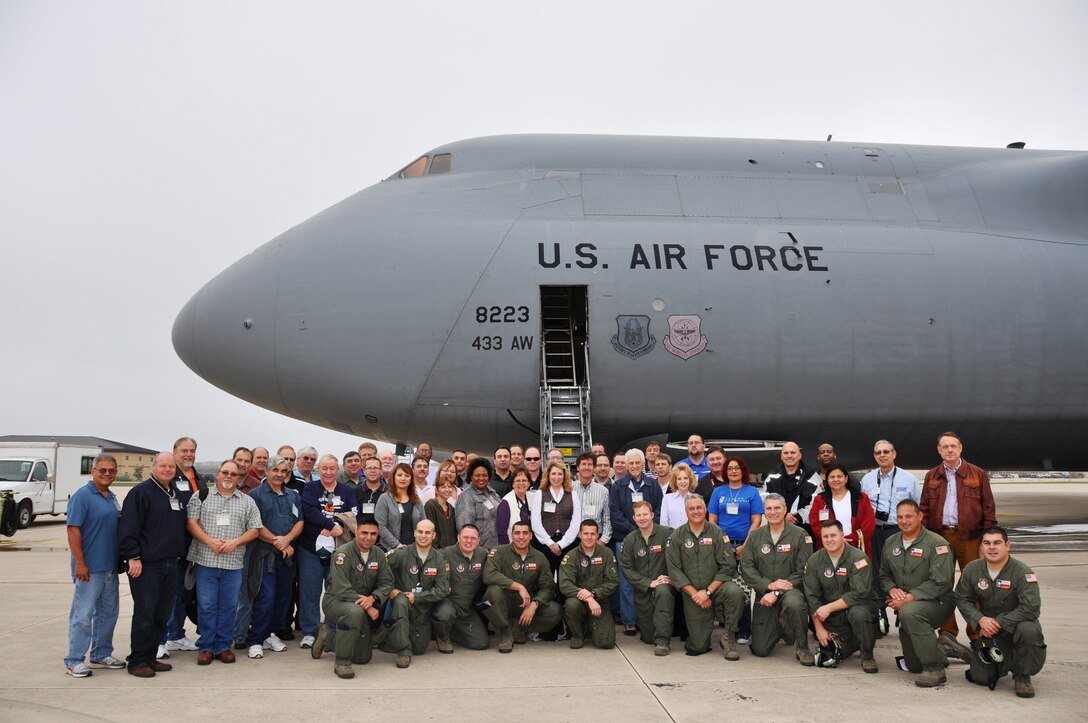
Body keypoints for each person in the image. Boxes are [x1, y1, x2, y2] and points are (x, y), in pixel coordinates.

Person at [920, 432, 997, 643]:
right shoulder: (932, 476)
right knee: (942, 585)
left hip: (970, 537)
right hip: (940, 538)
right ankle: (947, 634)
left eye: (953, 446)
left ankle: (977, 634)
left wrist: (986, 541)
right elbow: (924, 510)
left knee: (975, 584)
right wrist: (926, 541)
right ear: (939, 450)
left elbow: (989, 510)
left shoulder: (977, 474)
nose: (950, 450)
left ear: (960, 448)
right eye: (945, 447)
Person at [117, 451, 187, 678]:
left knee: (161, 614)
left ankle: (150, 657)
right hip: (146, 565)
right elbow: (128, 528)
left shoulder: (174, 493)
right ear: (154, 467)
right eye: (163, 466)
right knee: (145, 614)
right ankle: (137, 661)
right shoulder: (140, 493)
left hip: (170, 564)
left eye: (171, 466)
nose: (167, 469)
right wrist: (133, 557)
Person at [954, 526, 1046, 698]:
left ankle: (1022, 675)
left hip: (1017, 627)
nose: (992, 547)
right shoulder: (972, 569)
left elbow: (1031, 608)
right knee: (980, 677)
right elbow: (962, 598)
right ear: (981, 547)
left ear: (1007, 545)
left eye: (997, 543)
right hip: (990, 631)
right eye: (987, 543)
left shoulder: (1023, 572)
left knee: (1029, 630)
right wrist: (980, 619)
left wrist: (999, 622)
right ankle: (1004, 662)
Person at [186, 460, 262, 665]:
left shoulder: (247, 501)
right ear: (217, 474)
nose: (229, 476)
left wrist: (235, 542)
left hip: (233, 564)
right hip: (206, 561)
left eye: (233, 474)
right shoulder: (201, 496)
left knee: (229, 606)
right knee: (207, 605)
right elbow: (191, 523)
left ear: (238, 478)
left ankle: (223, 646)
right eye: (225, 472)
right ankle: (206, 646)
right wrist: (209, 541)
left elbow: (255, 529)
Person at [879, 499, 957, 687]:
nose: (904, 521)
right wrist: (892, 589)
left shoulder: (937, 544)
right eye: (900, 517)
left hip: (938, 601)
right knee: (914, 665)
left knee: (909, 613)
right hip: (908, 605)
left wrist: (908, 598)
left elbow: (941, 582)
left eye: (909, 516)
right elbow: (883, 575)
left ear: (920, 516)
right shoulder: (891, 542)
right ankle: (944, 648)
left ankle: (934, 669)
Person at [64, 454, 124, 677]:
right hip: (89, 569)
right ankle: (74, 660)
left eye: (111, 471)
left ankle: (101, 653)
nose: (107, 474)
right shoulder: (82, 496)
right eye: (102, 470)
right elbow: (73, 530)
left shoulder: (111, 497)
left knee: (108, 613)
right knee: (83, 615)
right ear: (93, 471)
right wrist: (80, 563)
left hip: (110, 567)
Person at [665, 495, 745, 659]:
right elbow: (674, 571)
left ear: (705, 509)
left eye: (699, 507)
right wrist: (696, 594)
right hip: (692, 594)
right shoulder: (677, 536)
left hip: (717, 588)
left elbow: (728, 565)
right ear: (686, 511)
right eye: (691, 508)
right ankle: (703, 625)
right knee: (698, 646)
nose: (696, 511)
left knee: (735, 593)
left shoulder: (717, 533)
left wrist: (708, 592)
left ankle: (728, 637)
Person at [739, 493, 815, 665]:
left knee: (795, 604)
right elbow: (747, 568)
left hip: (791, 591)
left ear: (785, 509)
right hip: (764, 593)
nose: (773, 512)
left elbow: (804, 570)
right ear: (764, 511)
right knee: (760, 649)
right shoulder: (755, 536)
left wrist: (778, 591)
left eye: (777, 508)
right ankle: (783, 626)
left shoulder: (800, 535)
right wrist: (768, 585)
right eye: (769, 509)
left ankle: (802, 647)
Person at [314, 516, 393, 679]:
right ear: (356, 532)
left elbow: (387, 583)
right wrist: (367, 607)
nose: (368, 537)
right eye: (364, 533)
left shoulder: (378, 554)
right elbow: (341, 588)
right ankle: (342, 662)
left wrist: (373, 598)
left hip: (363, 603)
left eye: (373, 534)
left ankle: (327, 636)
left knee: (363, 657)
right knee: (355, 612)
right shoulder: (342, 554)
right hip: (336, 601)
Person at [243, 455, 303, 658]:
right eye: (275, 470)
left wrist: (288, 539)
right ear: (267, 471)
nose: (279, 474)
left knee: (282, 596)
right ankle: (255, 640)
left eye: (284, 471)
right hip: (264, 554)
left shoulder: (293, 495)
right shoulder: (256, 494)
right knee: (265, 596)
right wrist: (278, 542)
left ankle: (271, 634)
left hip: (286, 555)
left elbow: (300, 521)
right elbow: (255, 525)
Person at [297, 454, 358, 649]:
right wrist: (328, 525)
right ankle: (310, 632)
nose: (328, 472)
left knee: (335, 592)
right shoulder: (311, 488)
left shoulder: (346, 490)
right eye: (324, 468)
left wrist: (334, 525)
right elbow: (310, 510)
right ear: (318, 469)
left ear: (337, 469)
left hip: (340, 551)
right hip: (311, 550)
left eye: (332, 468)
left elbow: (353, 512)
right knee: (310, 591)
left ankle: (332, 630)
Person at [803, 520, 878, 673]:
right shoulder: (814, 561)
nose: (829, 540)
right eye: (825, 536)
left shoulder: (858, 558)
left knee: (859, 613)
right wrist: (819, 628)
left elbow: (860, 593)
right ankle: (854, 642)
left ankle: (867, 655)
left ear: (842, 535)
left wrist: (829, 608)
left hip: (856, 610)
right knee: (833, 653)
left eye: (833, 535)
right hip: (831, 617)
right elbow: (812, 597)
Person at [860, 440, 920, 626]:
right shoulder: (867, 479)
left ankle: (904, 613)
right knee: (877, 572)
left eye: (886, 452)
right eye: (878, 452)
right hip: (875, 532)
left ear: (894, 454)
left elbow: (917, 507)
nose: (882, 455)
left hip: (899, 531)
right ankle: (880, 614)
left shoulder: (908, 479)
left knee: (903, 571)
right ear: (874, 456)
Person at [160, 436, 209, 659]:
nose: (189, 454)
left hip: (193, 546)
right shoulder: (169, 476)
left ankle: (176, 635)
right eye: (184, 451)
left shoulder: (198, 478)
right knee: (167, 595)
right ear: (175, 451)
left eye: (192, 451)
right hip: (175, 547)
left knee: (182, 594)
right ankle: (161, 639)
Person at [481, 521, 563, 653]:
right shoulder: (499, 552)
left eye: (525, 533)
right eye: (517, 533)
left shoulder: (539, 557)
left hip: (526, 603)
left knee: (555, 611)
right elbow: (488, 575)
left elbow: (548, 587)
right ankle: (506, 632)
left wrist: (535, 604)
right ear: (511, 535)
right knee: (491, 593)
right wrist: (519, 587)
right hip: (503, 601)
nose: (521, 537)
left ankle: (519, 627)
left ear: (531, 536)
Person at [708, 456, 764, 643]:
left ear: (743, 471)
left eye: (737, 468)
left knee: (744, 587)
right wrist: (721, 545)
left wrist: (745, 546)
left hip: (744, 545)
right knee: (724, 585)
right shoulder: (718, 492)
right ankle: (727, 627)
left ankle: (744, 630)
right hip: (722, 546)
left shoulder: (751, 492)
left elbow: (756, 520)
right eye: (730, 468)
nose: (733, 471)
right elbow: (712, 520)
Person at [381, 519, 450, 668]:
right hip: (402, 604)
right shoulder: (401, 553)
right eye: (420, 532)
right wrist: (390, 589)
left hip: (423, 609)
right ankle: (403, 652)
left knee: (419, 649)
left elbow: (442, 589)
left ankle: (391, 637)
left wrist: (417, 597)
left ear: (434, 535)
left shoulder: (439, 559)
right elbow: (382, 570)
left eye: (427, 533)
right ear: (414, 533)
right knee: (401, 601)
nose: (423, 536)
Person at [610, 448, 663, 637]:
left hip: (650, 539)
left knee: (649, 578)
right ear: (626, 465)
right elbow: (615, 514)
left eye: (637, 462)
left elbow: (658, 509)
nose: (634, 466)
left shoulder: (653, 485)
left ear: (643, 464)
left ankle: (647, 619)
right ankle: (629, 621)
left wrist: (646, 529)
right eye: (630, 463)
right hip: (625, 539)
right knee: (627, 581)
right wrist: (636, 531)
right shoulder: (618, 486)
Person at [619, 500, 675, 655]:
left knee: (663, 592)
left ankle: (663, 642)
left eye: (645, 514)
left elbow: (678, 558)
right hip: (643, 590)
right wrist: (649, 583)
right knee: (649, 638)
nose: (642, 518)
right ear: (634, 518)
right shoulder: (630, 540)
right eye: (638, 515)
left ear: (652, 515)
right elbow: (627, 569)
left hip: (664, 585)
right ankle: (656, 634)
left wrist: (671, 578)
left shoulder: (667, 534)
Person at [559, 520, 620, 649]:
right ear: (580, 535)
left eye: (593, 534)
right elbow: (565, 584)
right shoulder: (571, 556)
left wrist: (594, 594)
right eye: (586, 533)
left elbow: (612, 581)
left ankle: (590, 626)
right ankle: (577, 635)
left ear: (598, 535)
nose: (589, 537)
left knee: (606, 643)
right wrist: (588, 598)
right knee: (571, 605)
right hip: (578, 601)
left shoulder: (607, 553)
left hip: (600, 601)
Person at [434, 524, 490, 653]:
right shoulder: (444, 553)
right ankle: (442, 637)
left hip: (466, 608)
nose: (469, 541)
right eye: (465, 537)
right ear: (458, 538)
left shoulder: (482, 554)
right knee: (445, 614)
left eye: (473, 538)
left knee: (481, 643)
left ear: (478, 540)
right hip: (448, 603)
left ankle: (450, 631)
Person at [808, 463, 876, 553]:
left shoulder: (861, 497)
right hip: (829, 548)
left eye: (839, 476)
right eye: (832, 477)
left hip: (856, 548)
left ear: (846, 478)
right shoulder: (820, 499)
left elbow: (869, 523)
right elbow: (815, 524)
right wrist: (834, 540)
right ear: (827, 480)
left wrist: (850, 540)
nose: (836, 479)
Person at [763, 442, 821, 534]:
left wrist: (798, 517)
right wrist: (783, 516)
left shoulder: (812, 476)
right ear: (781, 456)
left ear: (799, 455)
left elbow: (817, 503)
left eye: (793, 452)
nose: (789, 456)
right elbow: (765, 502)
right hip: (778, 529)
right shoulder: (771, 478)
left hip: (805, 530)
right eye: (786, 453)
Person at [375, 463, 424, 552]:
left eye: (407, 475)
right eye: (399, 475)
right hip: (391, 550)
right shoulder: (384, 498)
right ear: (394, 477)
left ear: (411, 479)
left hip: (414, 550)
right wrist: (397, 545)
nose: (403, 478)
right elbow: (380, 527)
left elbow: (424, 524)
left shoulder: (417, 500)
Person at [455, 458, 503, 547]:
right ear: (471, 477)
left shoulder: (493, 494)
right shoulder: (466, 497)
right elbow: (464, 529)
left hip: (496, 547)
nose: (481, 478)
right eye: (477, 475)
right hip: (477, 549)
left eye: (484, 475)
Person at [572, 451, 612, 545]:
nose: (586, 467)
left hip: (596, 540)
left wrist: (603, 540)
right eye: (583, 464)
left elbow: (607, 519)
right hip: (573, 540)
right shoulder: (569, 488)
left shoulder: (603, 491)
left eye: (589, 464)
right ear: (577, 467)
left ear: (594, 468)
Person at [496, 467, 533, 544]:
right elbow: (502, 532)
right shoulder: (506, 503)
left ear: (529, 483)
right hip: (512, 546)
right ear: (512, 484)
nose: (521, 483)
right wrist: (508, 549)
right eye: (518, 481)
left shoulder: (533, 497)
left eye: (524, 480)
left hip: (531, 544)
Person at [424, 475, 458, 548]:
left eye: (449, 487)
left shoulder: (451, 509)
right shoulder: (430, 505)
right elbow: (430, 529)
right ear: (436, 490)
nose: (447, 489)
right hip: (436, 550)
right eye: (443, 487)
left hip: (451, 549)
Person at [660, 464, 697, 528]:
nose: (683, 481)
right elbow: (663, 523)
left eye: (685, 478)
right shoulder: (667, 498)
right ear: (675, 481)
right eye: (679, 479)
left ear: (690, 480)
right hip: (671, 533)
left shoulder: (696, 498)